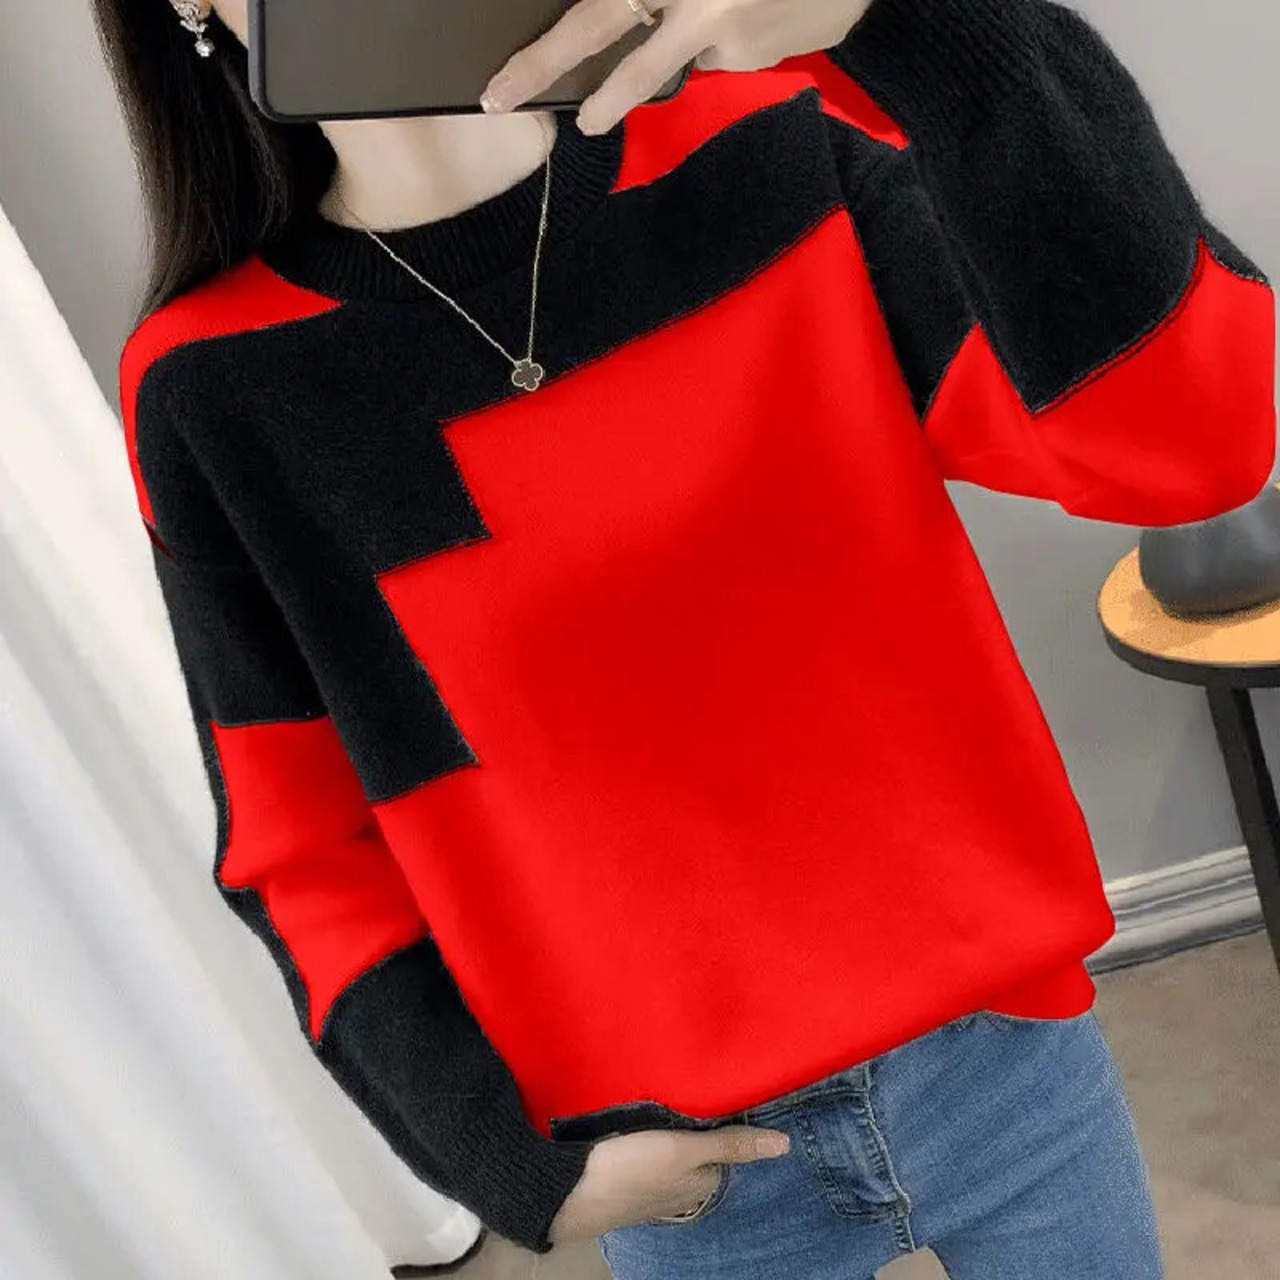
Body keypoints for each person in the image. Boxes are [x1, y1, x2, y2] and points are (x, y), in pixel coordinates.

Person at [97, 0, 1276, 1276]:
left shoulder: (773, 142)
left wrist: (917, 16)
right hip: (684, 1168)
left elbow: (1187, 446)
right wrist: (499, 1156)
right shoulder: (215, 384)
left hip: (1005, 1054)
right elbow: (300, 841)